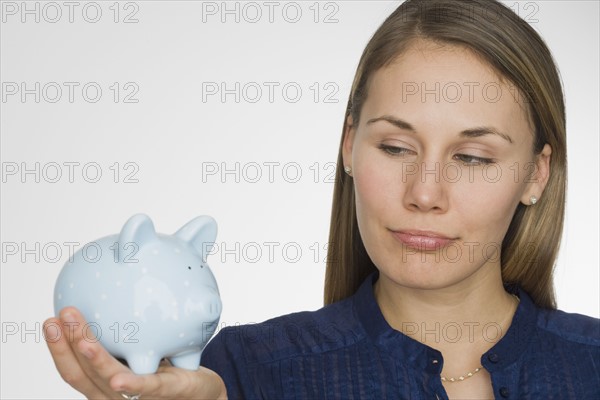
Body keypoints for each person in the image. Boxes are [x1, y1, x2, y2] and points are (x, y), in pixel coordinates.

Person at [44, 0, 599, 399]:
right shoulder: (244, 373)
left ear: (536, 174)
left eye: (473, 157)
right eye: (396, 146)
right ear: (350, 146)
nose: (425, 193)